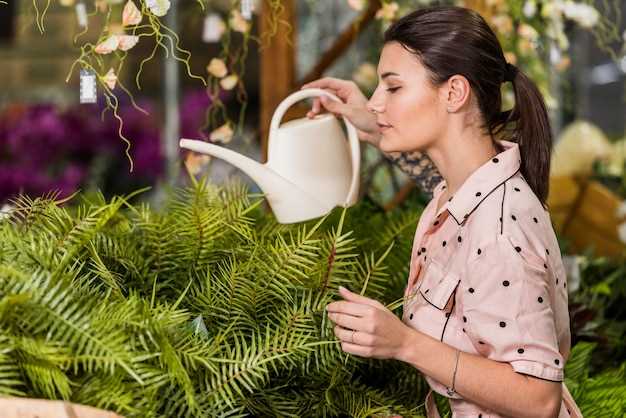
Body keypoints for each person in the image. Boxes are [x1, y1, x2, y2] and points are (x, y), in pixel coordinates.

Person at [302, 6, 583, 418]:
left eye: (393, 88)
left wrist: (403, 343)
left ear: (453, 92)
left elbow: (539, 400)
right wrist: (366, 120)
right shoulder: (466, 190)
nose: (378, 103)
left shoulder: (500, 227)